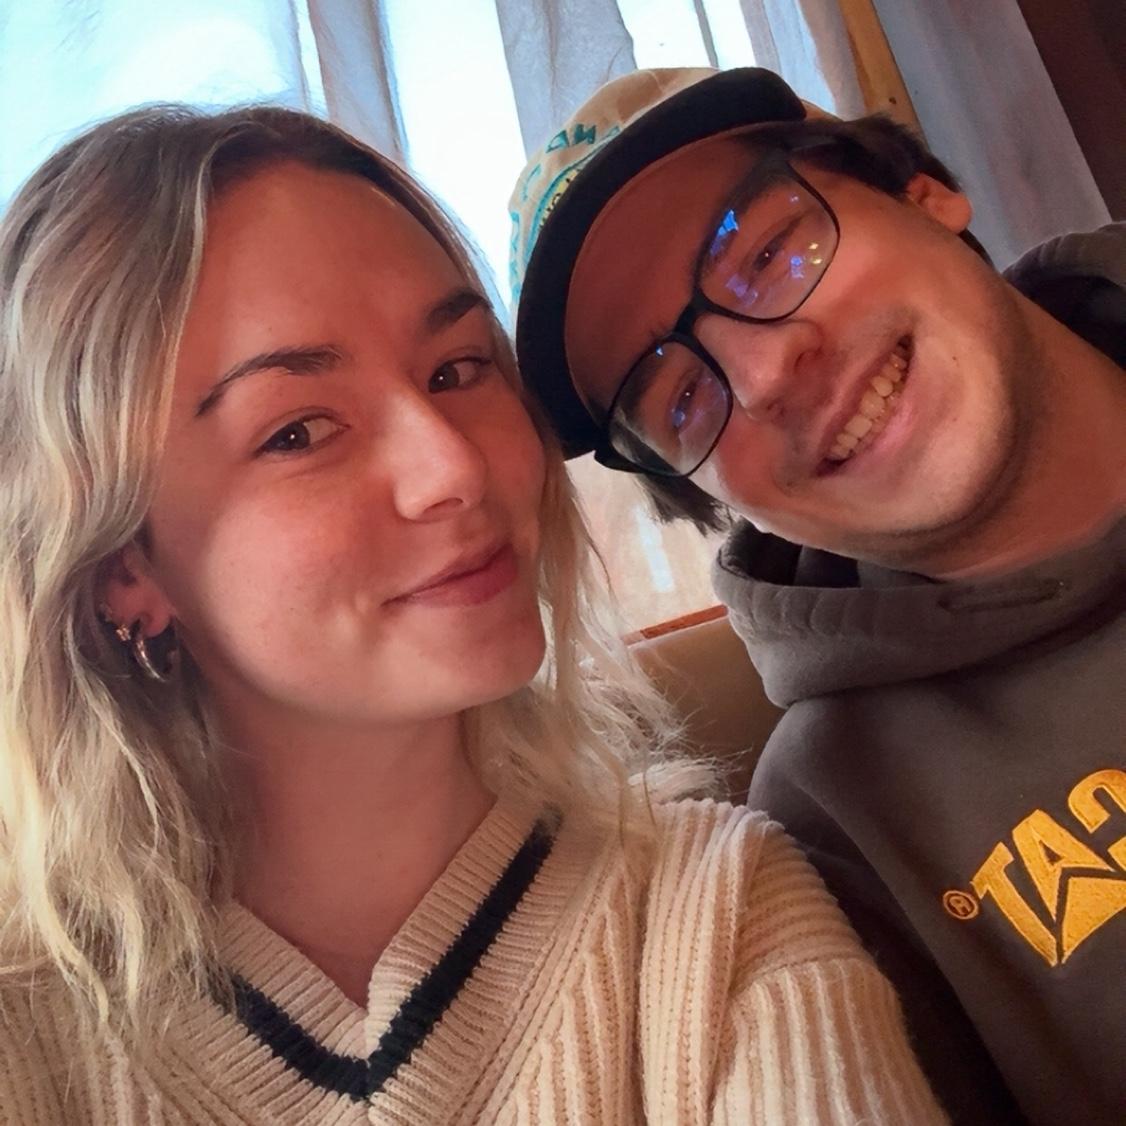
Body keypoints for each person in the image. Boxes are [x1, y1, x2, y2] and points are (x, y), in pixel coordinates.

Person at [0, 104, 944, 1123]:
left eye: (457, 370)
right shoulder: (29, 1025)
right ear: (119, 567)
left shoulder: (713, 917)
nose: (452, 465)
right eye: (299, 431)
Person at [509, 66, 1125, 1126]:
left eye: (764, 253)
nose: (766, 377)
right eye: (682, 396)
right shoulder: (836, 830)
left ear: (923, 192)